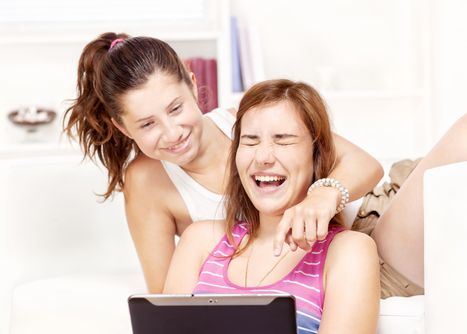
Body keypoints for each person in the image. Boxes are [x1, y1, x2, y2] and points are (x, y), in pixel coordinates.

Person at [63, 32, 383, 293]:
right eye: (148, 124)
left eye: (175, 109)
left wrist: (323, 196)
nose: (172, 133)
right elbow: (169, 297)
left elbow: (368, 165)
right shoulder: (148, 182)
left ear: (192, 84)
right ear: (122, 127)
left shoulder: (246, 123)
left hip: (367, 222)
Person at [163, 79, 381, 334]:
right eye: (250, 141)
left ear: (316, 154)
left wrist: (325, 195)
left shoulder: (348, 251)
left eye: (283, 140)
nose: (263, 157)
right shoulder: (200, 241)